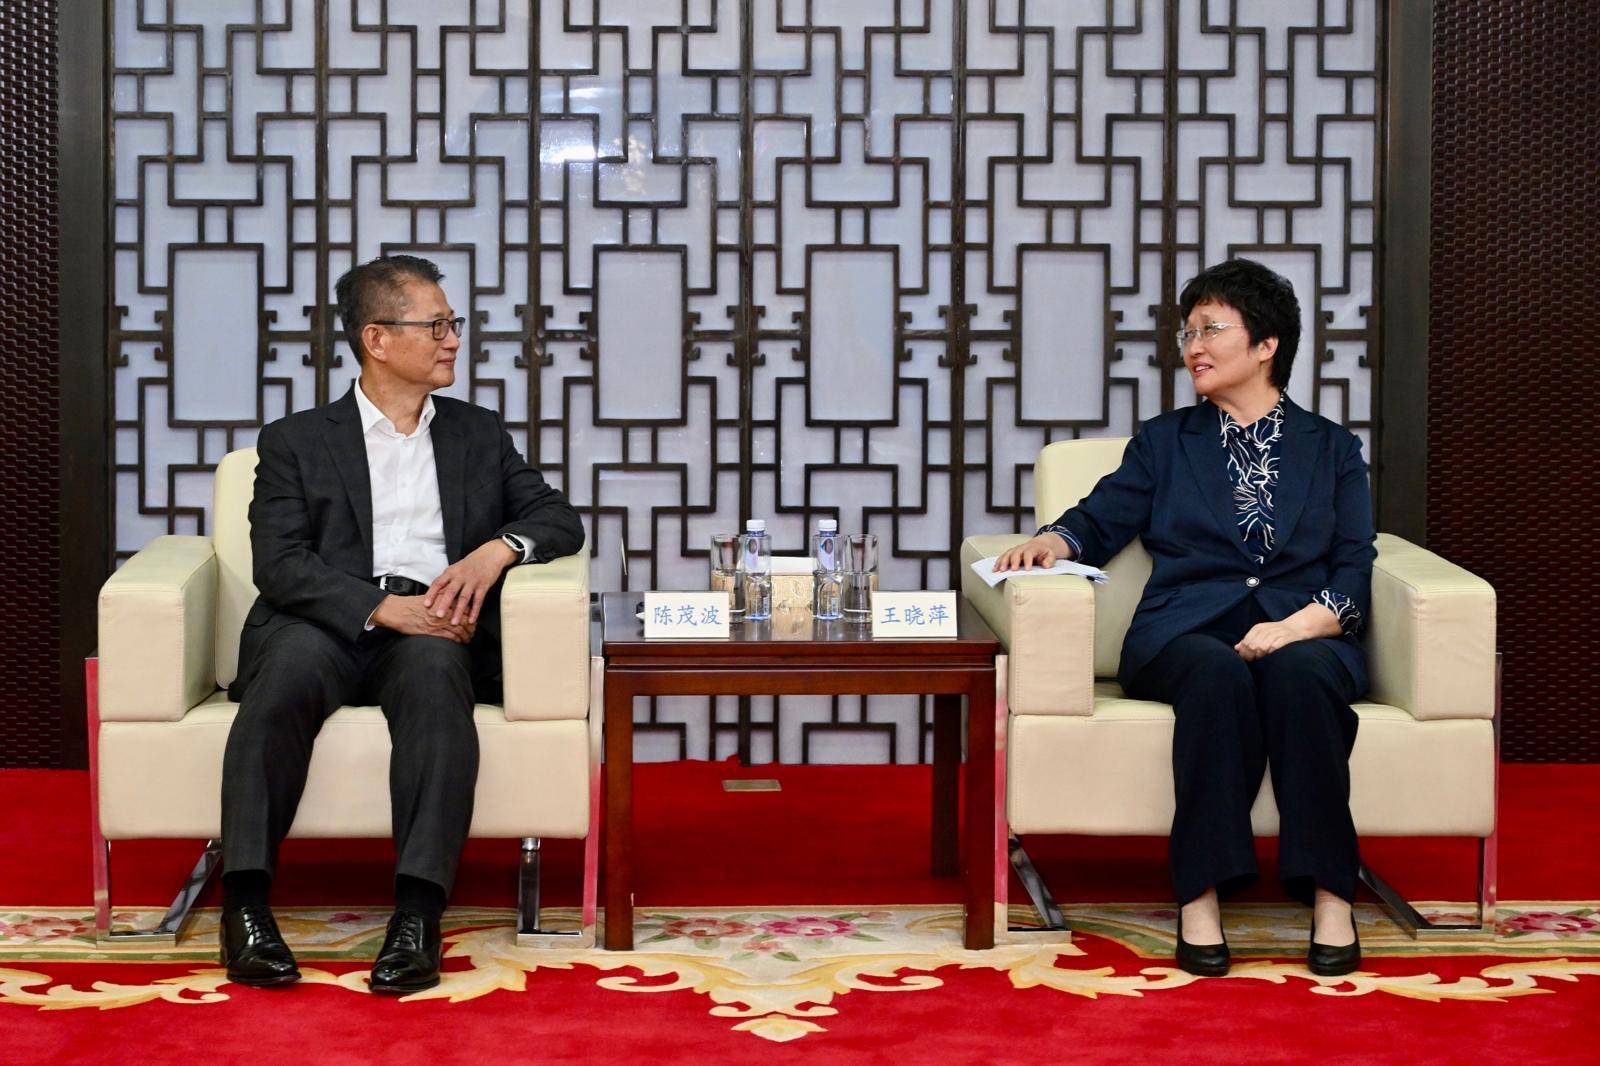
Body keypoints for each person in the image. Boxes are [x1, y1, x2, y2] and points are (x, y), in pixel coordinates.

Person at [995, 258, 1374, 977]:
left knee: (1304, 678)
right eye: (1187, 331)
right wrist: (1053, 540)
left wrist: (1296, 626)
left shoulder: (1332, 449)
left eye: (1211, 329)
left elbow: (1355, 563)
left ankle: (1330, 891)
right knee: (1215, 674)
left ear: (1266, 346)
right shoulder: (1167, 441)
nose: (1191, 345)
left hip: (1304, 629)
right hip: (1183, 630)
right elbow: (1101, 519)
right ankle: (1200, 892)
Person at [217, 255, 585, 993]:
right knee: (282, 680)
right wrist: (383, 608)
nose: (454, 339)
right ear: (377, 338)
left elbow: (557, 520)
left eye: (454, 324)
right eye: (438, 325)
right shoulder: (296, 439)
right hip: (323, 620)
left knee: (438, 682)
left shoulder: (476, 434)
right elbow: (280, 564)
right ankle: (245, 908)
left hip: (432, 626)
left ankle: (417, 917)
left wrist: (494, 552)